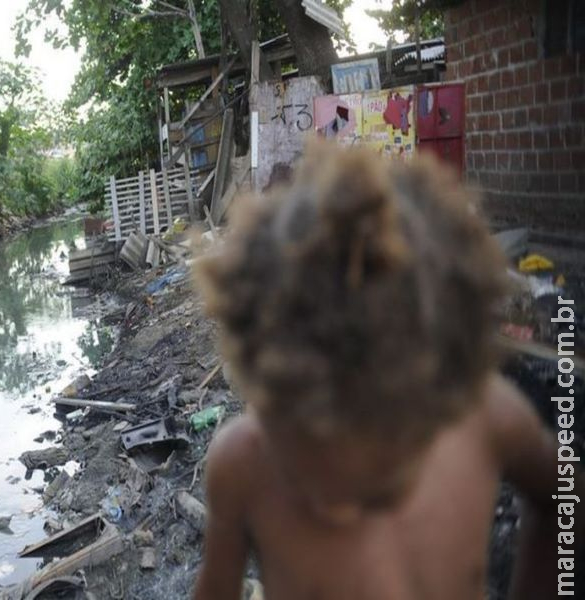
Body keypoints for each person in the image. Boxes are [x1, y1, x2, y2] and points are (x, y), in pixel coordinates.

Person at [192, 141, 583, 600]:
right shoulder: (242, 464)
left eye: (390, 476)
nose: (339, 510)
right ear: (263, 392)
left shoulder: (484, 417)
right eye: (312, 456)